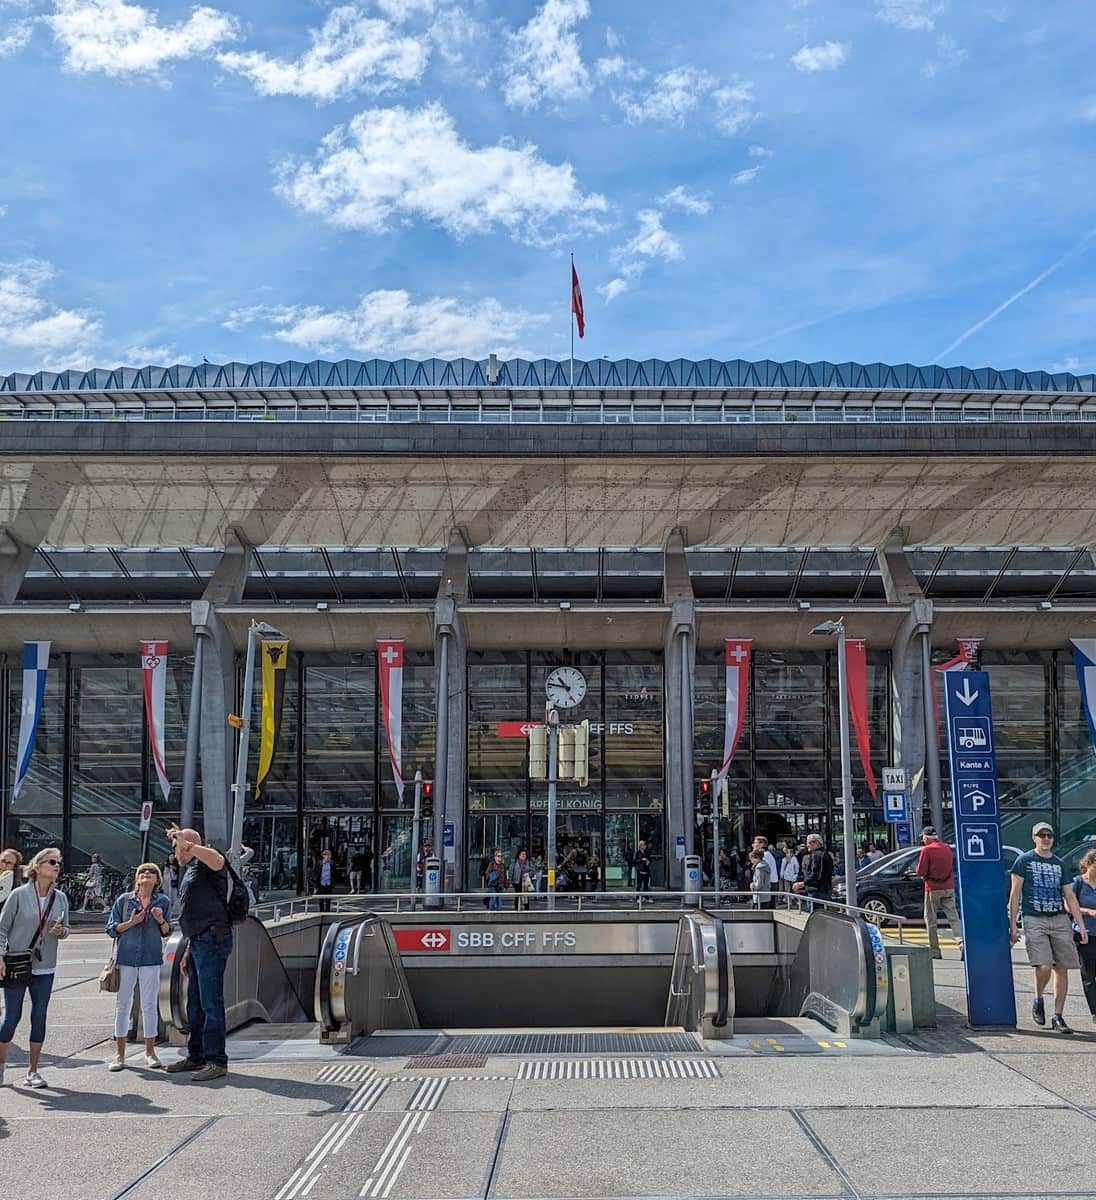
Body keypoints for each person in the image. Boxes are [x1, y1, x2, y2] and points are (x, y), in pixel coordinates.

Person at [164, 824, 233, 1081]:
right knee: (194, 1003)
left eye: (176, 847)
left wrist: (188, 844)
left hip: (213, 941)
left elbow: (218, 860)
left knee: (210, 1001)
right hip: (198, 942)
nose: (174, 853)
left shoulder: (207, 862)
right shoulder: (192, 870)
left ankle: (216, 1060)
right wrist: (189, 948)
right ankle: (197, 1055)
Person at [0, 847, 71, 1088]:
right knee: (11, 1017)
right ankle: (1, 1065)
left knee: (39, 1016)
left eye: (58, 863)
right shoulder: (19, 895)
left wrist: (62, 932)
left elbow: (67, 930)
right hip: (17, 962)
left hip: (45, 965)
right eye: (52, 862)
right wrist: (0, 955)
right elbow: (2, 928)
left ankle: (32, 1071)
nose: (56, 866)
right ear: (37, 866)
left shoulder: (60, 898)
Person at [1010, 821, 1088, 1033]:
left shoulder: (1059, 863)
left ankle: (1058, 1016)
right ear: (1034, 837)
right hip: (1034, 918)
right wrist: (1013, 925)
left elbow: (1070, 896)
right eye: (1042, 835)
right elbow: (1015, 894)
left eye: (1049, 835)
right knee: (1043, 965)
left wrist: (1080, 925)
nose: (1046, 838)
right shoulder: (1024, 860)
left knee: (1061, 968)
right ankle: (1038, 998)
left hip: (1059, 919)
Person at [106, 862, 172, 1071]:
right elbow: (111, 929)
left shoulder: (163, 901)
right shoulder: (124, 901)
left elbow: (167, 931)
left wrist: (160, 920)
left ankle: (150, 1052)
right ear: (137, 878)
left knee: (150, 1005)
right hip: (126, 958)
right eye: (143, 871)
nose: (147, 874)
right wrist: (132, 922)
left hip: (151, 958)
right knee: (123, 1004)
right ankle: (119, 1054)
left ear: (157, 880)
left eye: (152, 872)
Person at [914, 826, 963, 960]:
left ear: (927, 837)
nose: (922, 839)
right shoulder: (946, 848)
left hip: (932, 888)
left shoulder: (927, 850)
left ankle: (935, 951)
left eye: (923, 837)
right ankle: (961, 943)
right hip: (949, 887)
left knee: (931, 920)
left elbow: (920, 871)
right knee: (954, 919)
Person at [1071, 848, 1096, 1025]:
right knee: (1089, 975)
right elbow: (1068, 905)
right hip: (1086, 934)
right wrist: (1088, 911)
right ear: (1087, 865)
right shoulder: (1078, 883)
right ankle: (1095, 1011)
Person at [793, 834, 834, 906]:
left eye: (809, 842)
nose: (807, 845)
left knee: (815, 914)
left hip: (817, 892)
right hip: (823, 890)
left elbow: (816, 874)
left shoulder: (817, 855)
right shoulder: (825, 854)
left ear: (816, 843)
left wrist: (803, 883)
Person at [315, 849, 334, 913]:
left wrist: (333, 883)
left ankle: (327, 911)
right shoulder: (319, 863)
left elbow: (334, 873)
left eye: (330, 855)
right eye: (327, 855)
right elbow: (317, 873)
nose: (328, 857)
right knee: (321, 899)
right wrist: (316, 885)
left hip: (328, 883)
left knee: (328, 899)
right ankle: (322, 911)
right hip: (321, 883)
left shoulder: (332, 863)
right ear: (323, 856)